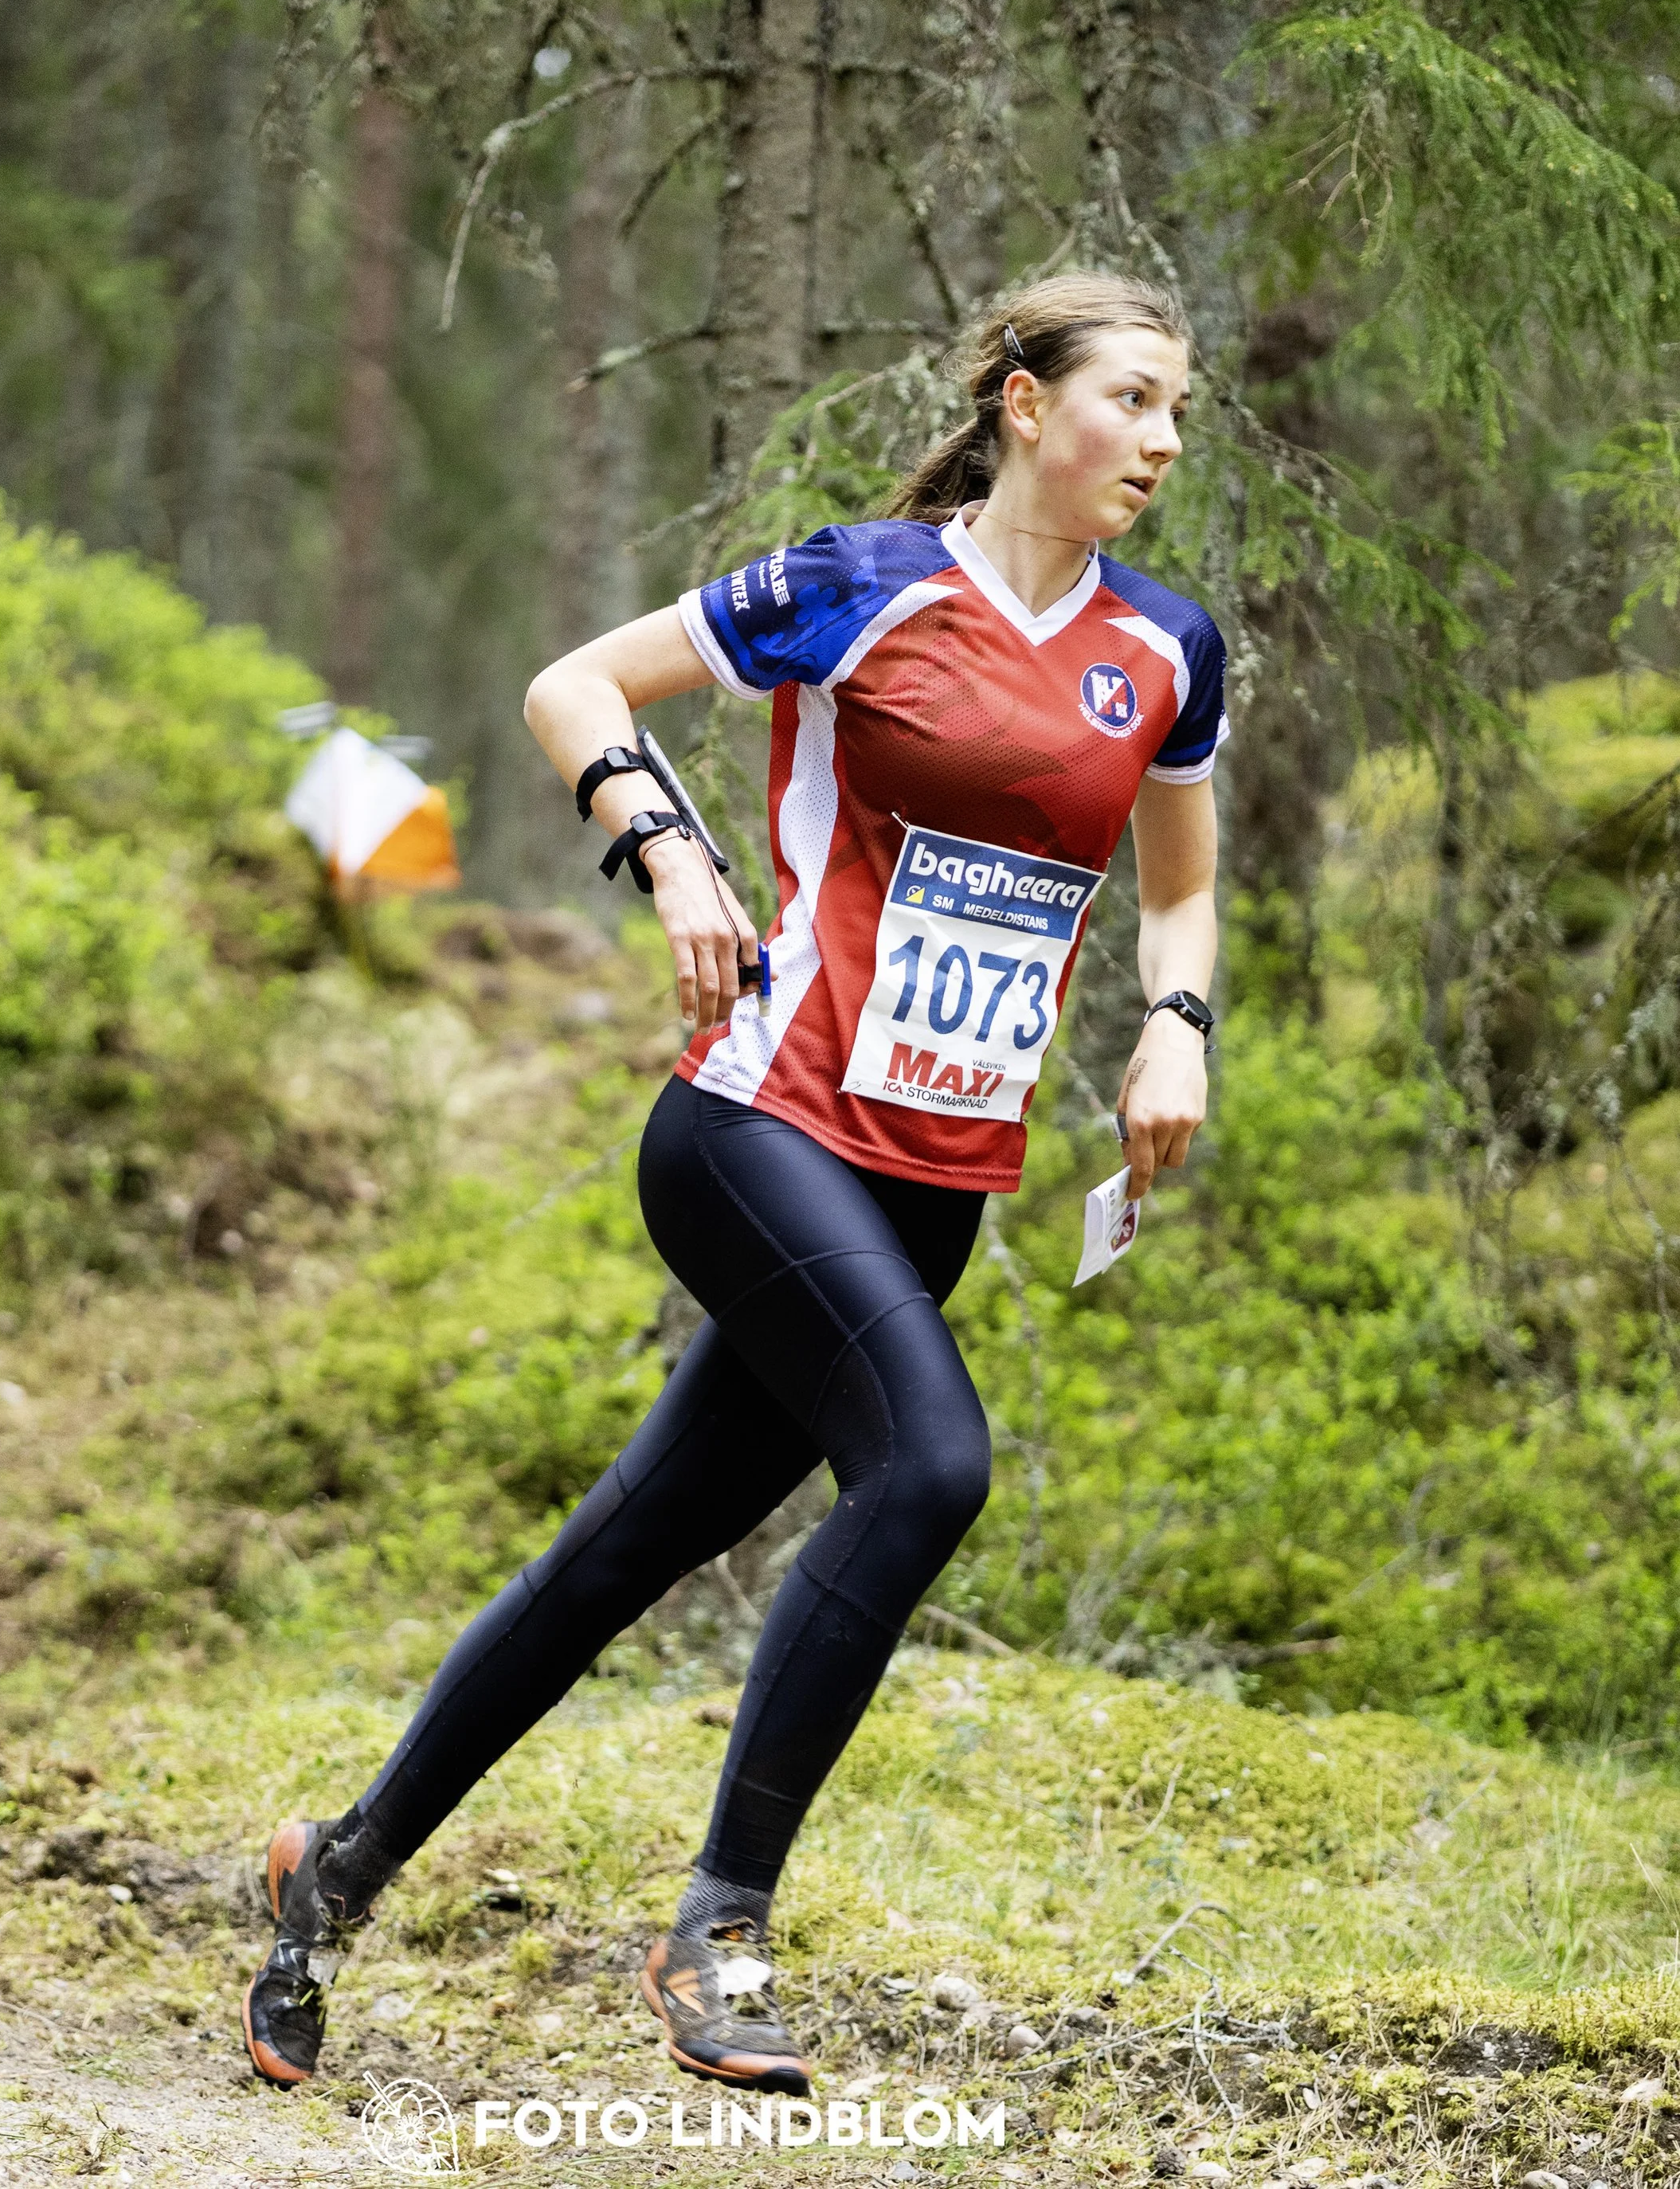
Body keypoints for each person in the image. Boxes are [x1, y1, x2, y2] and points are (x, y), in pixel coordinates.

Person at [242, 270, 1226, 2097]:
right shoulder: (862, 581)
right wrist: (676, 856)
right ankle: (718, 1927)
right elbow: (573, 683)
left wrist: (1174, 1021)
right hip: (753, 1121)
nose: (1164, 439)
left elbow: (1174, 880)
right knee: (929, 1462)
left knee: (629, 1543)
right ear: (1024, 401)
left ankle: (337, 1869)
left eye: (1181, 411)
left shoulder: (1163, 648)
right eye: (1135, 399)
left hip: (933, 1172)